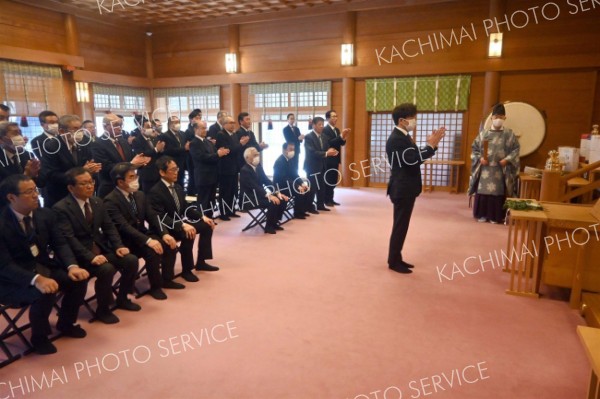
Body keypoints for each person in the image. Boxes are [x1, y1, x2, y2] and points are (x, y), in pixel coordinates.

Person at [0, 175, 89, 354]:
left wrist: (72, 266)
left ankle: (65, 323)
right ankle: (39, 337)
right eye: (29, 192)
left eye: (35, 190)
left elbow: (60, 243)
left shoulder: (45, 214)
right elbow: (4, 265)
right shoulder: (2, 223)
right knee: (45, 291)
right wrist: (36, 279)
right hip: (10, 279)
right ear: (11, 197)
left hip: (41, 266)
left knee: (77, 280)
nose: (35, 195)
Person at [53, 167, 141, 324]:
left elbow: (109, 227)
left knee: (131, 259)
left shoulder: (97, 201)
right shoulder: (61, 208)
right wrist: (90, 257)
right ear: (71, 188)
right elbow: (69, 239)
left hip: (100, 249)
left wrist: (118, 246)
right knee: (106, 269)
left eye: (91, 182)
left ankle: (122, 298)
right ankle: (103, 309)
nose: (89, 186)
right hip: (79, 256)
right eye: (84, 183)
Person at [104, 163, 178, 300]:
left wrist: (164, 233)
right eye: (131, 177)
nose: (136, 179)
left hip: (141, 234)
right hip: (125, 241)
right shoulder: (110, 201)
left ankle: (167, 279)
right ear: (120, 182)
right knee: (153, 251)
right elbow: (124, 227)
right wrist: (148, 241)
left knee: (169, 244)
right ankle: (155, 287)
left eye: (136, 175)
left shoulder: (139, 195)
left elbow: (152, 216)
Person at [386, 103, 445, 274]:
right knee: (400, 225)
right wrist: (431, 146)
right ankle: (393, 261)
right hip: (402, 188)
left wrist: (430, 146)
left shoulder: (404, 136)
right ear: (402, 120)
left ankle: (397, 258)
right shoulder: (397, 138)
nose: (414, 120)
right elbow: (412, 160)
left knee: (402, 225)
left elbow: (413, 156)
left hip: (406, 187)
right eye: (412, 117)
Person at [148, 156, 218, 285]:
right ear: (162, 172)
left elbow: (186, 207)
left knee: (208, 225)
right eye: (172, 170)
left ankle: (201, 261)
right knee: (188, 233)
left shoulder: (178, 187)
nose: (176, 172)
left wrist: (202, 216)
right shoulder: (155, 191)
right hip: (164, 227)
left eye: (177, 169)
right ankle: (187, 270)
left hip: (178, 223)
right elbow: (161, 217)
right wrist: (182, 225)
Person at [469, 104, 520, 224]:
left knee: (497, 192)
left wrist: (507, 159)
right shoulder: (483, 134)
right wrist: (480, 158)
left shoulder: (509, 134)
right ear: (491, 118)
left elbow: (516, 149)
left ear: (504, 118)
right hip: (485, 169)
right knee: (483, 191)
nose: (498, 119)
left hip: (500, 169)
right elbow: (474, 149)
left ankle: (495, 216)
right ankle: (481, 214)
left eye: (501, 117)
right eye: (496, 116)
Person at [40, 115, 100, 207]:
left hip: (82, 195)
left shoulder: (84, 143)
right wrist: (81, 172)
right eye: (75, 129)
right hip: (60, 196)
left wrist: (93, 169)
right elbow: (50, 175)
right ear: (61, 131)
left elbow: (89, 164)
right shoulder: (51, 147)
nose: (79, 132)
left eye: (80, 128)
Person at [92, 113, 149, 197]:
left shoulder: (123, 141)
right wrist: (131, 164)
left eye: (121, 125)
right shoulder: (98, 143)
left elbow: (132, 158)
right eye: (115, 125)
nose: (119, 128)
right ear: (105, 127)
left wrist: (141, 162)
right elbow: (106, 167)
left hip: (129, 185)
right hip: (111, 188)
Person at [239, 148, 288, 234]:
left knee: (282, 199)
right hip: (249, 198)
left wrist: (277, 192)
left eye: (257, 155)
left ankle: (274, 222)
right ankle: (268, 227)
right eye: (254, 155)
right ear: (247, 158)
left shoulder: (258, 167)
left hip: (259, 195)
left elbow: (266, 181)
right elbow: (254, 187)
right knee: (273, 202)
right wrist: (270, 196)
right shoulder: (244, 170)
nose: (257, 157)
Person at [189, 120, 229, 218]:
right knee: (203, 200)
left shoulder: (207, 141)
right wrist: (217, 154)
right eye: (202, 128)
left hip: (213, 175)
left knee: (211, 199)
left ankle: (210, 217)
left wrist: (220, 152)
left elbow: (214, 154)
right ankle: (201, 219)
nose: (205, 130)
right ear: (195, 129)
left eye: (205, 128)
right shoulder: (194, 143)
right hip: (203, 175)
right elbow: (202, 157)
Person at [216, 116, 249, 220]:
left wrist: (241, 145)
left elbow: (237, 150)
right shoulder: (221, 134)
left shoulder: (234, 134)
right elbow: (228, 150)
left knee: (233, 190)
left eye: (233, 122)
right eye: (230, 122)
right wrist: (240, 144)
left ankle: (231, 210)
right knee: (225, 191)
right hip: (225, 167)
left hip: (234, 167)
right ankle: (223, 213)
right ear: (224, 124)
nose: (233, 124)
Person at [304, 116, 338, 213]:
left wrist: (331, 151)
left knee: (322, 187)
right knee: (313, 187)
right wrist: (327, 153)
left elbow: (326, 148)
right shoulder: (308, 137)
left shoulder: (324, 136)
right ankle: (309, 207)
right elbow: (312, 152)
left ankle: (320, 205)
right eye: (319, 125)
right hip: (311, 166)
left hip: (322, 165)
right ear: (314, 125)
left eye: (323, 124)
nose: (322, 126)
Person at [273, 142, 311, 219]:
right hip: (281, 186)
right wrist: (297, 186)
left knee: (306, 188)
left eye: (293, 149)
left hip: (289, 184)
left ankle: (302, 211)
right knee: (299, 190)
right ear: (284, 150)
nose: (292, 151)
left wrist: (302, 183)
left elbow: (295, 174)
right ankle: (297, 213)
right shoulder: (280, 161)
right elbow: (283, 179)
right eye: (290, 149)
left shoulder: (291, 160)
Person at [0, 122, 43, 186]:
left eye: (20, 133)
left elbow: (41, 183)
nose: (20, 137)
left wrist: (35, 174)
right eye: (15, 133)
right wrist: (26, 176)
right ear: (1, 139)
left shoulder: (28, 155)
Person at [322, 110, 350, 207]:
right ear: (328, 118)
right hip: (329, 158)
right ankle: (326, 200)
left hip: (336, 157)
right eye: (333, 116)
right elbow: (329, 143)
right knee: (328, 179)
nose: (335, 118)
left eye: (336, 116)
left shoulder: (337, 130)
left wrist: (344, 137)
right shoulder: (325, 130)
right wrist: (341, 136)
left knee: (334, 180)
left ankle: (331, 199)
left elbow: (341, 143)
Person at [131, 116, 165, 192]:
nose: (150, 129)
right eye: (147, 127)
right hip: (147, 173)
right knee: (148, 196)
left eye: (151, 127)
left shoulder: (155, 138)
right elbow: (142, 155)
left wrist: (161, 150)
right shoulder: (136, 140)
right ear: (141, 128)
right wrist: (156, 149)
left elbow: (159, 153)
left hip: (158, 172)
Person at [158, 116, 188, 188]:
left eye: (178, 122)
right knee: (173, 185)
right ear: (170, 124)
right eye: (175, 122)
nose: (178, 124)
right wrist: (184, 149)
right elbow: (167, 150)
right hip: (171, 164)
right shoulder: (164, 135)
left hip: (182, 164)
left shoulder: (183, 134)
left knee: (181, 185)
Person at [184, 109, 203, 196]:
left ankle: (197, 194)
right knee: (192, 177)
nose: (199, 119)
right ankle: (191, 196)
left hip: (198, 156)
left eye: (200, 117)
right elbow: (188, 145)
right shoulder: (188, 131)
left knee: (198, 177)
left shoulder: (200, 130)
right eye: (196, 117)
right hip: (191, 157)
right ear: (191, 119)